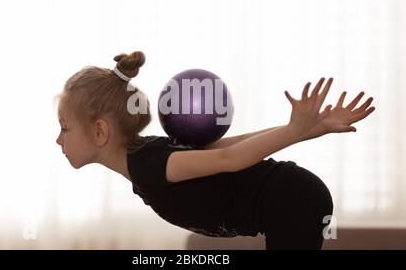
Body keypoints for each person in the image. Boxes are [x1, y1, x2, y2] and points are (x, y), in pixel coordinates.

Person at [55, 51, 376, 250]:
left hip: (293, 200)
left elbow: (228, 159)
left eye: (64, 127)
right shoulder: (145, 156)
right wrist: (309, 130)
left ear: (99, 131)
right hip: (294, 199)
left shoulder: (147, 165)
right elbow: (225, 146)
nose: (59, 140)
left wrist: (296, 132)